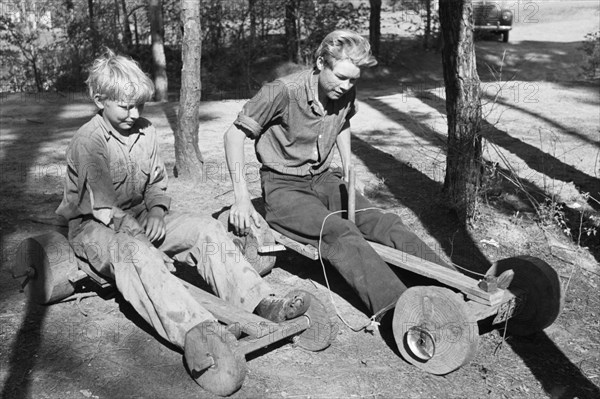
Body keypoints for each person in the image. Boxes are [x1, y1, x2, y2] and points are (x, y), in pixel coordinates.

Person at [55, 49, 309, 355]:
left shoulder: (145, 131)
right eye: (124, 107)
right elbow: (106, 208)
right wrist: (144, 241)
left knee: (204, 227)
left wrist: (159, 213)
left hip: (140, 217)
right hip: (96, 228)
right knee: (136, 254)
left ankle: (261, 302)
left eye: (139, 105)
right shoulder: (89, 141)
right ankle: (200, 331)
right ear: (99, 100)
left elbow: (156, 183)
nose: (134, 115)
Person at [224, 30, 454, 318]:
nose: (346, 86)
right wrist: (241, 198)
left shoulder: (344, 91)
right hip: (284, 188)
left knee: (382, 221)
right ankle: (401, 313)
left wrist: (347, 163)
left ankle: (453, 288)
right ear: (321, 63)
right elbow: (233, 136)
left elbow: (342, 120)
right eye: (341, 77)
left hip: (324, 178)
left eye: (353, 80)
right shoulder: (281, 91)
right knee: (339, 231)